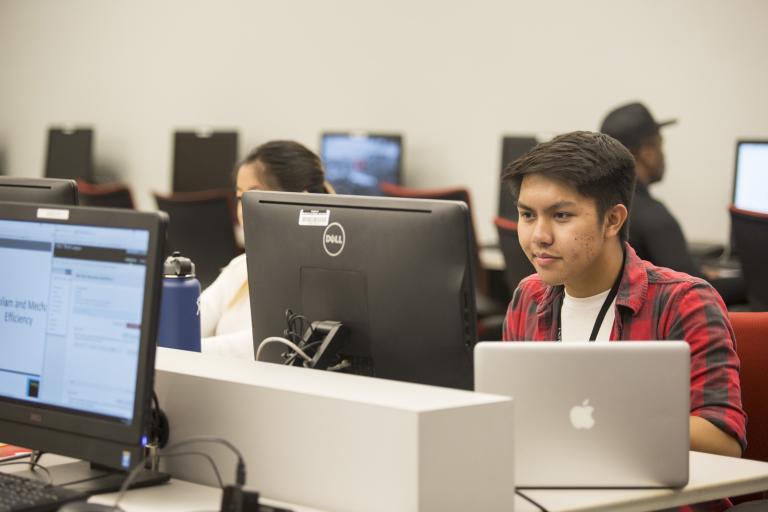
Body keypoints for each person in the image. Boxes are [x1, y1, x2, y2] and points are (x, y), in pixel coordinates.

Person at [501, 131, 745, 463]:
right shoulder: (528, 298)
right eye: (527, 215)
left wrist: (605, 423)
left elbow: (723, 439)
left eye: (561, 216)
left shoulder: (683, 302)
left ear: (613, 220)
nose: (539, 236)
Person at [600, 101, 746, 305]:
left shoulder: (598, 205)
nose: (663, 155)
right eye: (661, 145)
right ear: (648, 154)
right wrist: (752, 282)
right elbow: (695, 291)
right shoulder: (653, 216)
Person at [200, 140, 333, 358]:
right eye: (241, 198)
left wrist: (181, 347)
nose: (243, 211)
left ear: (300, 200)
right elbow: (191, 321)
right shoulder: (241, 266)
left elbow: (263, 345)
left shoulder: (318, 280)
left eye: (253, 197)